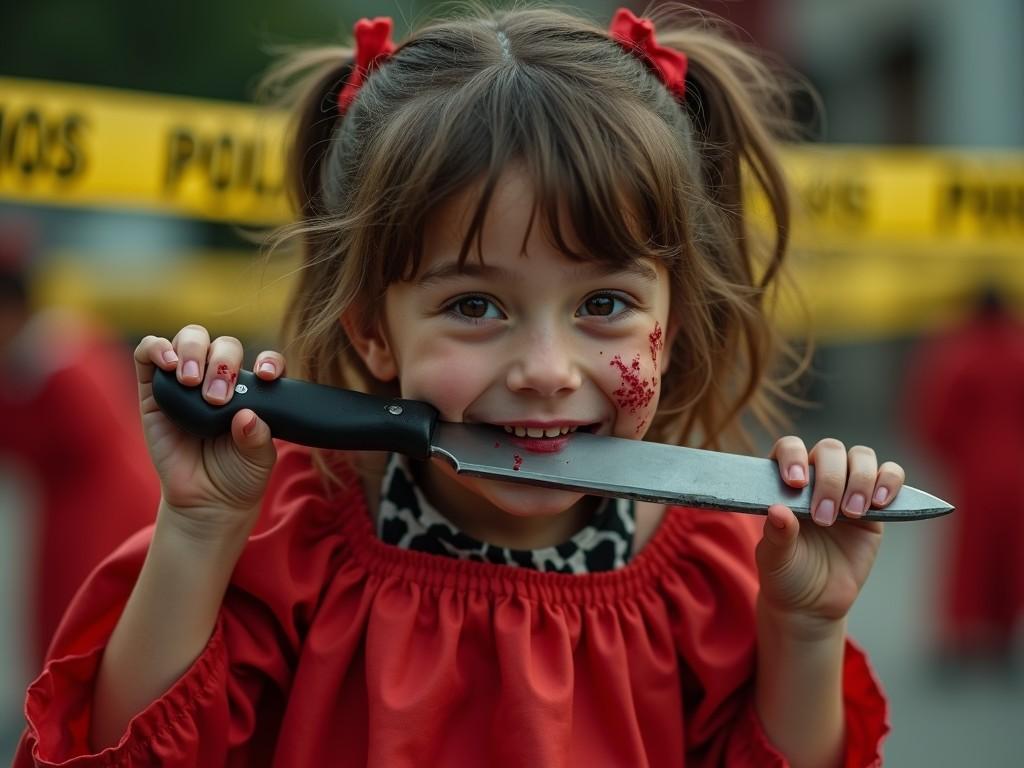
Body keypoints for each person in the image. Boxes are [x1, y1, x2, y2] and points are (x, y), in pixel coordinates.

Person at [15, 7, 907, 767]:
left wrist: (807, 626)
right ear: (371, 330)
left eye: (604, 302)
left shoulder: (722, 571)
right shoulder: (291, 546)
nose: (548, 371)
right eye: (476, 305)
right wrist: (200, 531)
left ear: (674, 323)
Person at [0, 219, 159, 668]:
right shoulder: (57, 353)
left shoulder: (57, 361)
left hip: (101, 521)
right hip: (83, 518)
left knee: (84, 638)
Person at [906, 285, 1024, 667]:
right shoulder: (1019, 348)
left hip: (975, 467)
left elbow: (935, 414)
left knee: (969, 556)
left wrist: (950, 455)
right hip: (1018, 467)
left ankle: (962, 633)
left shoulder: (958, 352)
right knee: (1013, 553)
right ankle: (1004, 632)